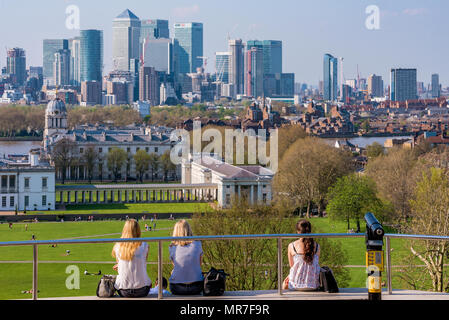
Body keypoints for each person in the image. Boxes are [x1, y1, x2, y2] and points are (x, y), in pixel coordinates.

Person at [112, 219, 151, 298]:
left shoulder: (118, 246)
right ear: (138, 230)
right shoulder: (144, 245)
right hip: (142, 290)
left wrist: (121, 265)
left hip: (123, 291)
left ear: (124, 230)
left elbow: (120, 263)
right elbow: (143, 262)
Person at [283, 220, 321, 291]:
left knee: (284, 284)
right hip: (314, 285)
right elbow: (315, 265)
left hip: (296, 285)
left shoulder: (292, 246)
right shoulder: (317, 246)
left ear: (298, 232)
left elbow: (292, 266)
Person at [168, 220, 204, 295]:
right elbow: (199, 264)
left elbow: (176, 266)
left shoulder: (172, 247)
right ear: (189, 229)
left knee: (173, 272)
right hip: (197, 286)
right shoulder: (198, 243)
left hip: (177, 288)